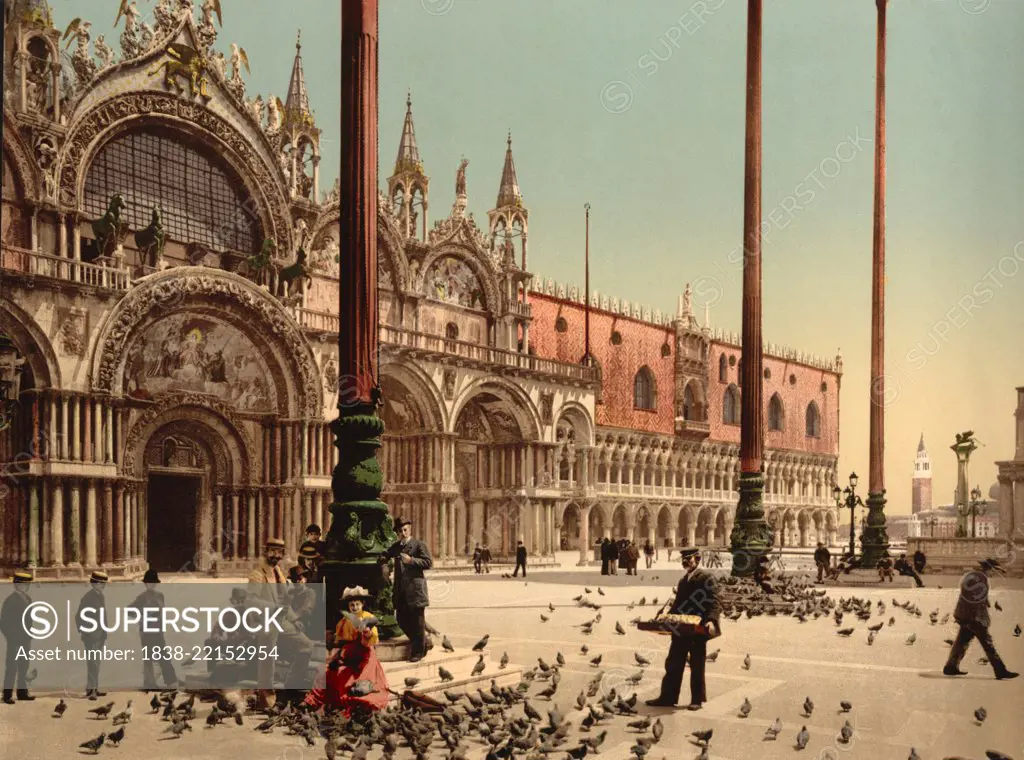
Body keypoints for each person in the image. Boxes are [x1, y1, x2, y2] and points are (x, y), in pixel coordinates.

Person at [646, 548, 721, 711]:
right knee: (673, 662)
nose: (685, 562)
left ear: (698, 559)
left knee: (697, 663)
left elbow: (714, 602)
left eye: (689, 559)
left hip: (697, 628)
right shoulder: (683, 580)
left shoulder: (707, 578)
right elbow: (677, 605)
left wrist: (711, 620)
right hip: (681, 627)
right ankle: (667, 697)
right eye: (684, 559)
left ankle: (697, 700)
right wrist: (667, 617)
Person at [248, 537, 314, 707]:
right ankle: (266, 700)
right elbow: (251, 601)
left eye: (279, 553)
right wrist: (273, 607)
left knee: (306, 646)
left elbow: (286, 603)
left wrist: (294, 619)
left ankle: (290, 690)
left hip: (282, 621)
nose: (276, 556)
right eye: (273, 552)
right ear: (265, 551)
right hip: (265, 621)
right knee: (267, 659)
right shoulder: (257, 574)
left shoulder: (280, 574)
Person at [303, 586, 389, 715]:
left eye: (357, 604)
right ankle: (313, 702)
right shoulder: (344, 621)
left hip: (363, 657)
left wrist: (367, 633)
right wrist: (335, 653)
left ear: (363, 604)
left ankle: (357, 706)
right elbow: (340, 641)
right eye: (352, 605)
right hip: (347, 654)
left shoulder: (367, 617)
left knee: (354, 680)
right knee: (328, 672)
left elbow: (371, 641)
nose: (354, 607)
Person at [943, 558, 1018, 680]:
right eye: (994, 571)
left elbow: (973, 596)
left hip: (966, 615)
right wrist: (978, 619)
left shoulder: (975, 576)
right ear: (989, 569)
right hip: (973, 617)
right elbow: (974, 601)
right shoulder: (979, 579)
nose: (995, 574)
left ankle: (950, 667)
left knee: (962, 642)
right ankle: (1000, 670)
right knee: (987, 643)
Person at [381, 517, 433, 662]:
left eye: (405, 530)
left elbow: (428, 562)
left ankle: (418, 652)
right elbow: (385, 555)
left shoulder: (418, 545)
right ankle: (423, 643)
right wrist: (384, 564)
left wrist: (411, 561)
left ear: (410, 529)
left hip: (415, 590)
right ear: (397, 532)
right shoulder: (396, 547)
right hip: (401, 590)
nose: (403, 533)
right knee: (401, 620)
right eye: (400, 531)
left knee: (418, 621)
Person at [129, 569, 179, 691]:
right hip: (146, 632)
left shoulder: (160, 596)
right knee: (148, 658)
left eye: (153, 583)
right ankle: (149, 683)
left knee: (164, 655)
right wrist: (142, 616)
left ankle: (171, 681)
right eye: (149, 583)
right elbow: (129, 611)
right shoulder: (142, 597)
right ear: (146, 584)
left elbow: (162, 613)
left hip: (158, 631)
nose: (151, 585)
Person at [1, 571, 35, 704]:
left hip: (26, 638)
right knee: (12, 666)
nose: (26, 587)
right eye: (23, 585)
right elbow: (3, 622)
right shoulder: (11, 600)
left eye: (27, 585)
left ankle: (22, 692)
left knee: (24, 665)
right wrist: (12, 637)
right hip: (15, 640)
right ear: (16, 585)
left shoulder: (27, 598)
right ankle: (7, 695)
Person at [76, 571, 109, 700]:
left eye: (104, 584)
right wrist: (86, 632)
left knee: (96, 663)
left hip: (100, 635)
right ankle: (92, 691)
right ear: (94, 584)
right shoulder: (88, 598)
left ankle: (93, 688)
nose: (103, 586)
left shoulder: (100, 595)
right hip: (92, 636)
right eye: (101, 584)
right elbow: (79, 617)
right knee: (93, 663)